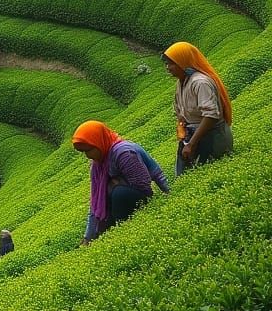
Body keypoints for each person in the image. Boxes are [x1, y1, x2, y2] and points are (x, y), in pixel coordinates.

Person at [72, 121, 166, 242]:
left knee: (119, 193)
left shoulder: (123, 153)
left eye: (88, 150)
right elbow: (95, 202)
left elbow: (145, 184)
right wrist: (87, 237)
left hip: (138, 197)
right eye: (83, 152)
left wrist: (168, 193)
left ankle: (121, 232)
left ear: (97, 142)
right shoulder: (98, 165)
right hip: (120, 201)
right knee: (107, 200)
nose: (87, 155)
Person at [162, 42, 233, 175]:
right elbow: (180, 113)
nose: (168, 67)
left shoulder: (200, 83)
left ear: (182, 62)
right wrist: (182, 137)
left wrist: (191, 144)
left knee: (206, 172)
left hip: (211, 135)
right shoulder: (181, 82)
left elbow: (211, 116)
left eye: (171, 63)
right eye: (166, 63)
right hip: (192, 135)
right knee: (183, 176)